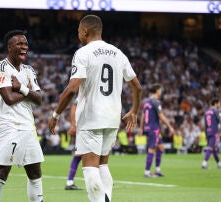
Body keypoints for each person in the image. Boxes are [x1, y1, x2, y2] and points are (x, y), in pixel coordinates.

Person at [48, 15, 142, 202]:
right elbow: (137, 87)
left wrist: (56, 114)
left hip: (91, 116)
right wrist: (134, 111)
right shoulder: (118, 52)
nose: (78, 35)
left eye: (78, 32)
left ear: (85, 31)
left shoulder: (83, 53)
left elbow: (72, 89)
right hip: (113, 117)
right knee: (103, 165)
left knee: (90, 166)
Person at [0, 30, 44, 202]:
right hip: (10, 127)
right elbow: (9, 99)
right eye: (19, 44)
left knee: (35, 172)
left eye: (25, 44)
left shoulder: (29, 70)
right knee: (2, 171)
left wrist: (21, 88)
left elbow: (39, 99)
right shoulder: (0, 67)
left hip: (28, 128)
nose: (24, 47)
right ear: (9, 47)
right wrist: (27, 92)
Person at [138, 83, 175, 177]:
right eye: (160, 89)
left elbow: (143, 116)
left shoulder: (146, 102)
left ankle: (157, 170)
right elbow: (161, 115)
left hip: (150, 128)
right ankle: (147, 172)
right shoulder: (155, 101)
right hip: (153, 129)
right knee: (152, 150)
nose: (161, 91)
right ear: (157, 90)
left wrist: (141, 128)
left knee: (161, 146)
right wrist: (170, 126)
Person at [65, 102, 83, 190]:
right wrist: (73, 125)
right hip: (84, 129)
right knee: (78, 155)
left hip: (88, 128)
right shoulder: (84, 93)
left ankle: (69, 181)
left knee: (78, 156)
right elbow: (74, 106)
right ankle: (69, 182)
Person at [201, 98, 221, 169]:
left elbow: (205, 124)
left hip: (209, 131)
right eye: (219, 103)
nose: (220, 104)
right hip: (214, 132)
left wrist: (206, 134)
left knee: (214, 148)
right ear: (215, 103)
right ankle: (204, 163)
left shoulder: (207, 112)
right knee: (210, 148)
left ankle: (219, 164)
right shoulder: (216, 111)